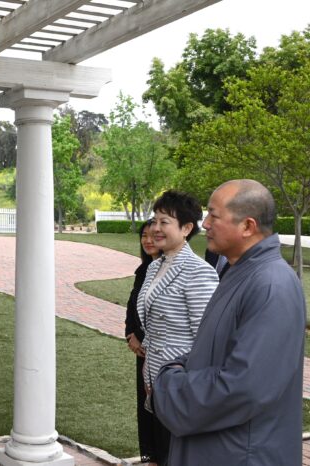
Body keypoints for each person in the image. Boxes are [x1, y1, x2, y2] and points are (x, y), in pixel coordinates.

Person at [154, 180, 305, 465]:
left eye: (213, 215)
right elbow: (214, 347)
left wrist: (170, 386)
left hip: (241, 455)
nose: (205, 224)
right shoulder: (241, 272)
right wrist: (178, 366)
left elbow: (244, 387)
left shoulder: (271, 285)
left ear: (247, 226)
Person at [137, 190, 218, 465]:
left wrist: (184, 382)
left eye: (165, 222)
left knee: (179, 455)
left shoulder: (199, 271)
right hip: (155, 379)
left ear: (186, 228)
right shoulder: (153, 267)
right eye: (155, 221)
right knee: (163, 451)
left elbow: (206, 338)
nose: (156, 228)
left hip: (180, 382)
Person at [124, 219, 159, 463]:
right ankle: (151, 455)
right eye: (143, 236)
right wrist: (131, 335)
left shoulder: (169, 270)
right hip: (141, 351)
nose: (147, 240)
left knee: (160, 405)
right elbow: (132, 306)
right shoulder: (143, 270)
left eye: (153, 236)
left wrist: (144, 338)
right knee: (144, 403)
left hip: (160, 351)